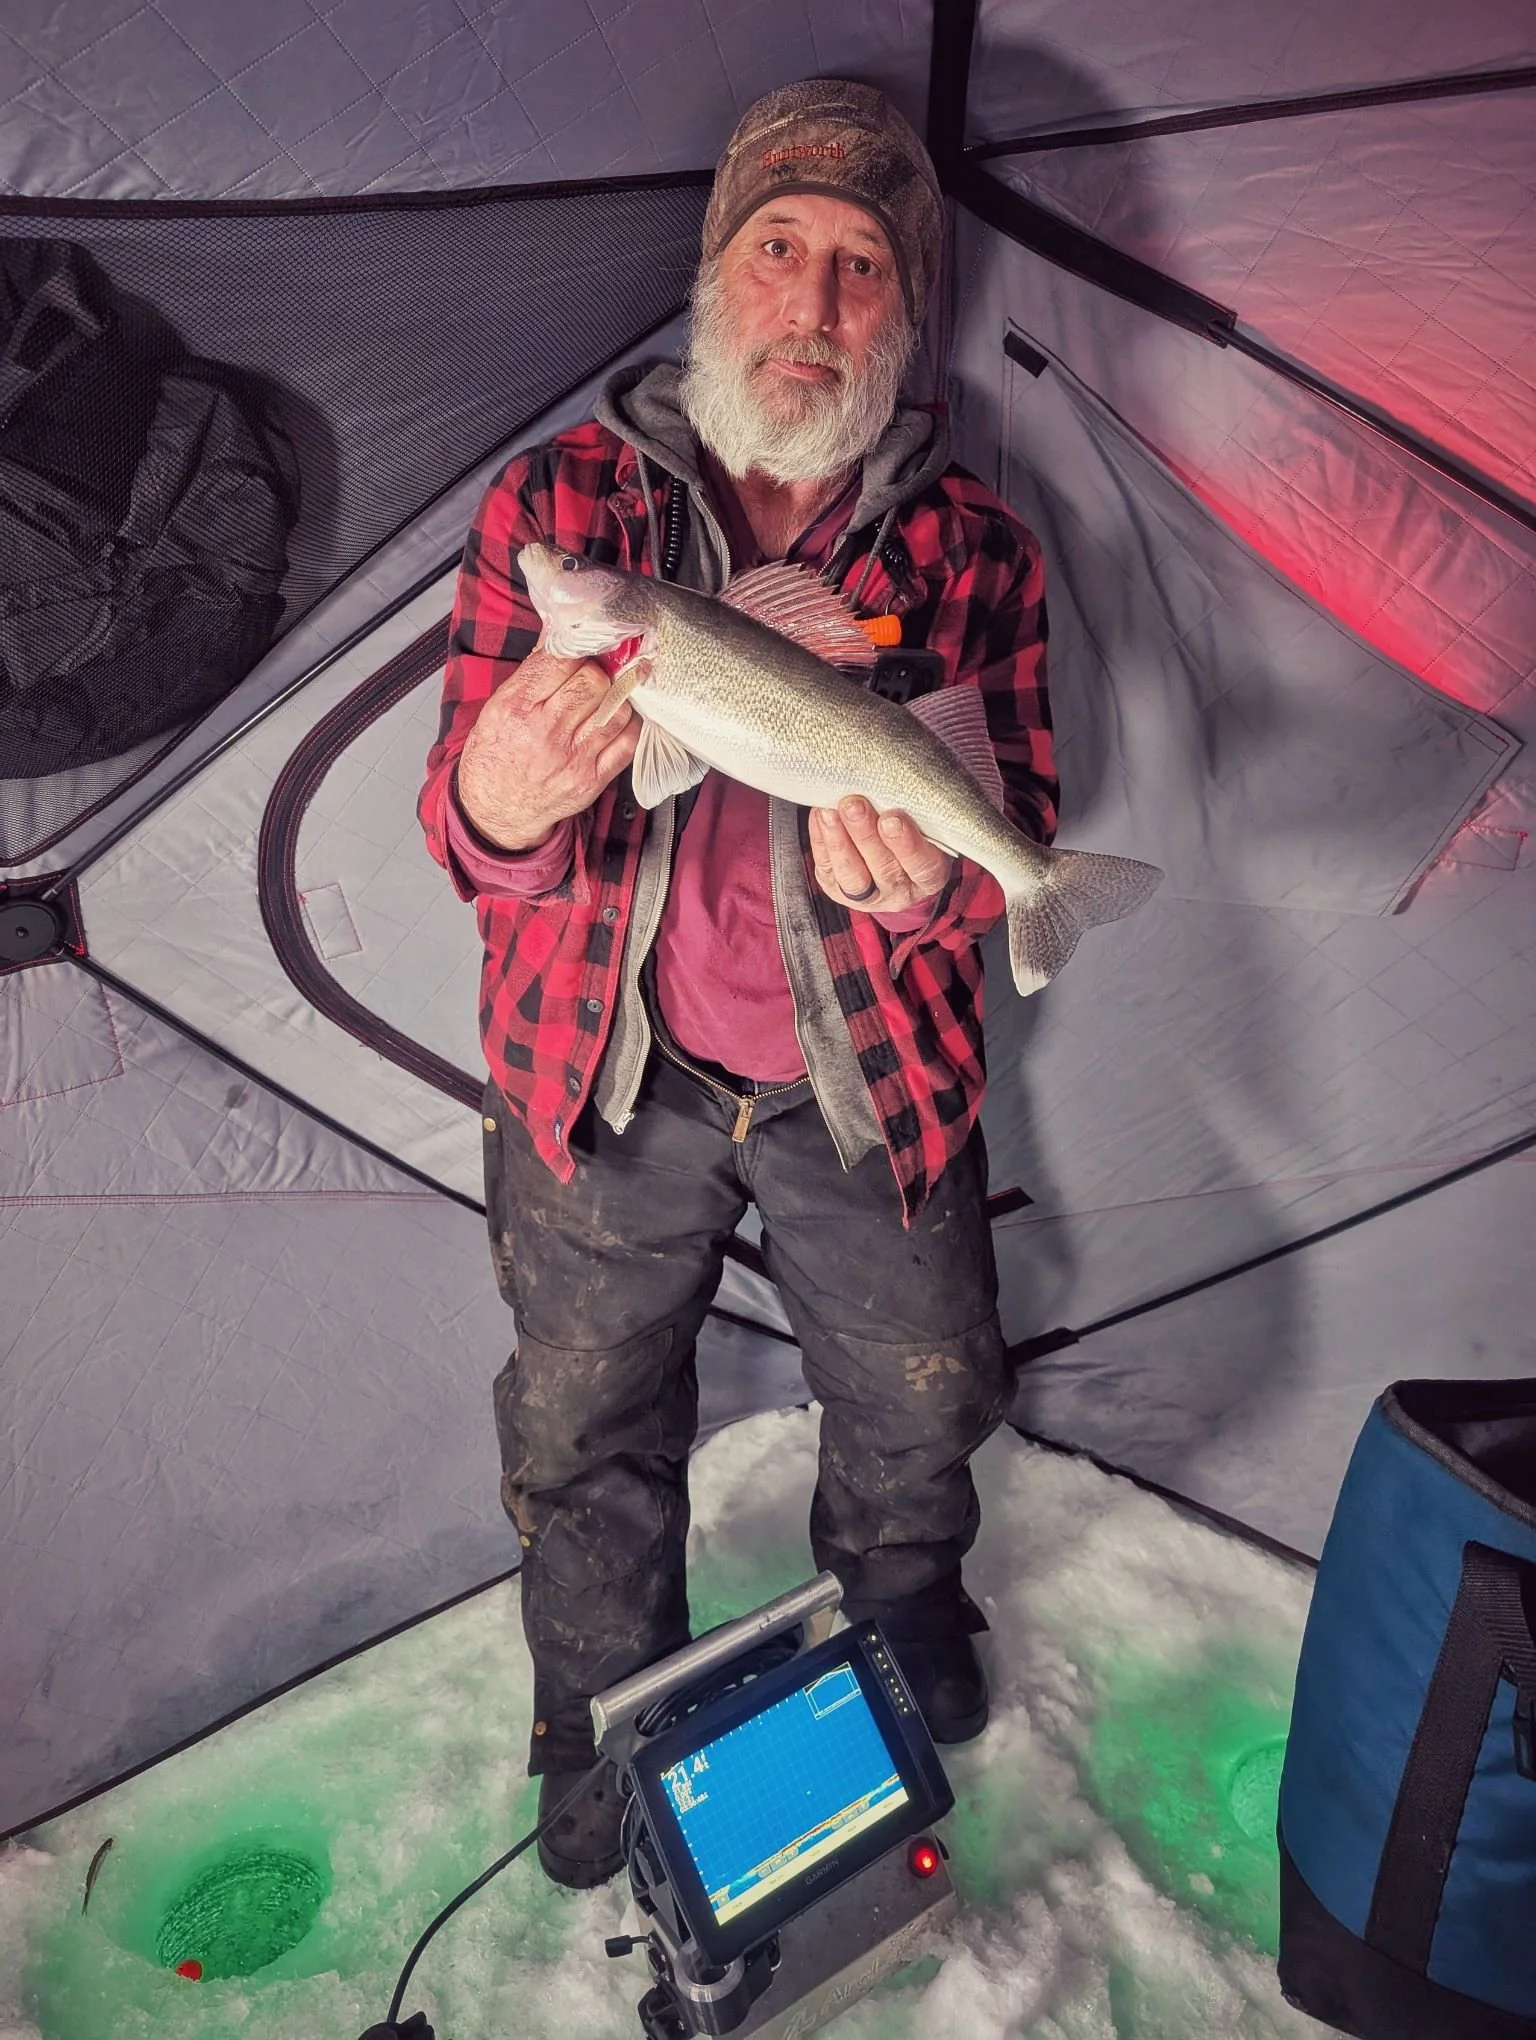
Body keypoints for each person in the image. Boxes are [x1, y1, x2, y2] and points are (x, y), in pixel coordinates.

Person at [417, 78, 1057, 1890]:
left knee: (929, 1388)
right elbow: (463, 840)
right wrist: (504, 794)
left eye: (862, 267)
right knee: (583, 1411)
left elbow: (1017, 813)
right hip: (601, 1072)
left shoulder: (978, 554)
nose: (815, 301)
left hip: (869, 1075)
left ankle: (907, 1606)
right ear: (718, 275)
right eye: (779, 248)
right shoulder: (558, 512)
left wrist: (944, 885)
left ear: (905, 313)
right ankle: (593, 1714)